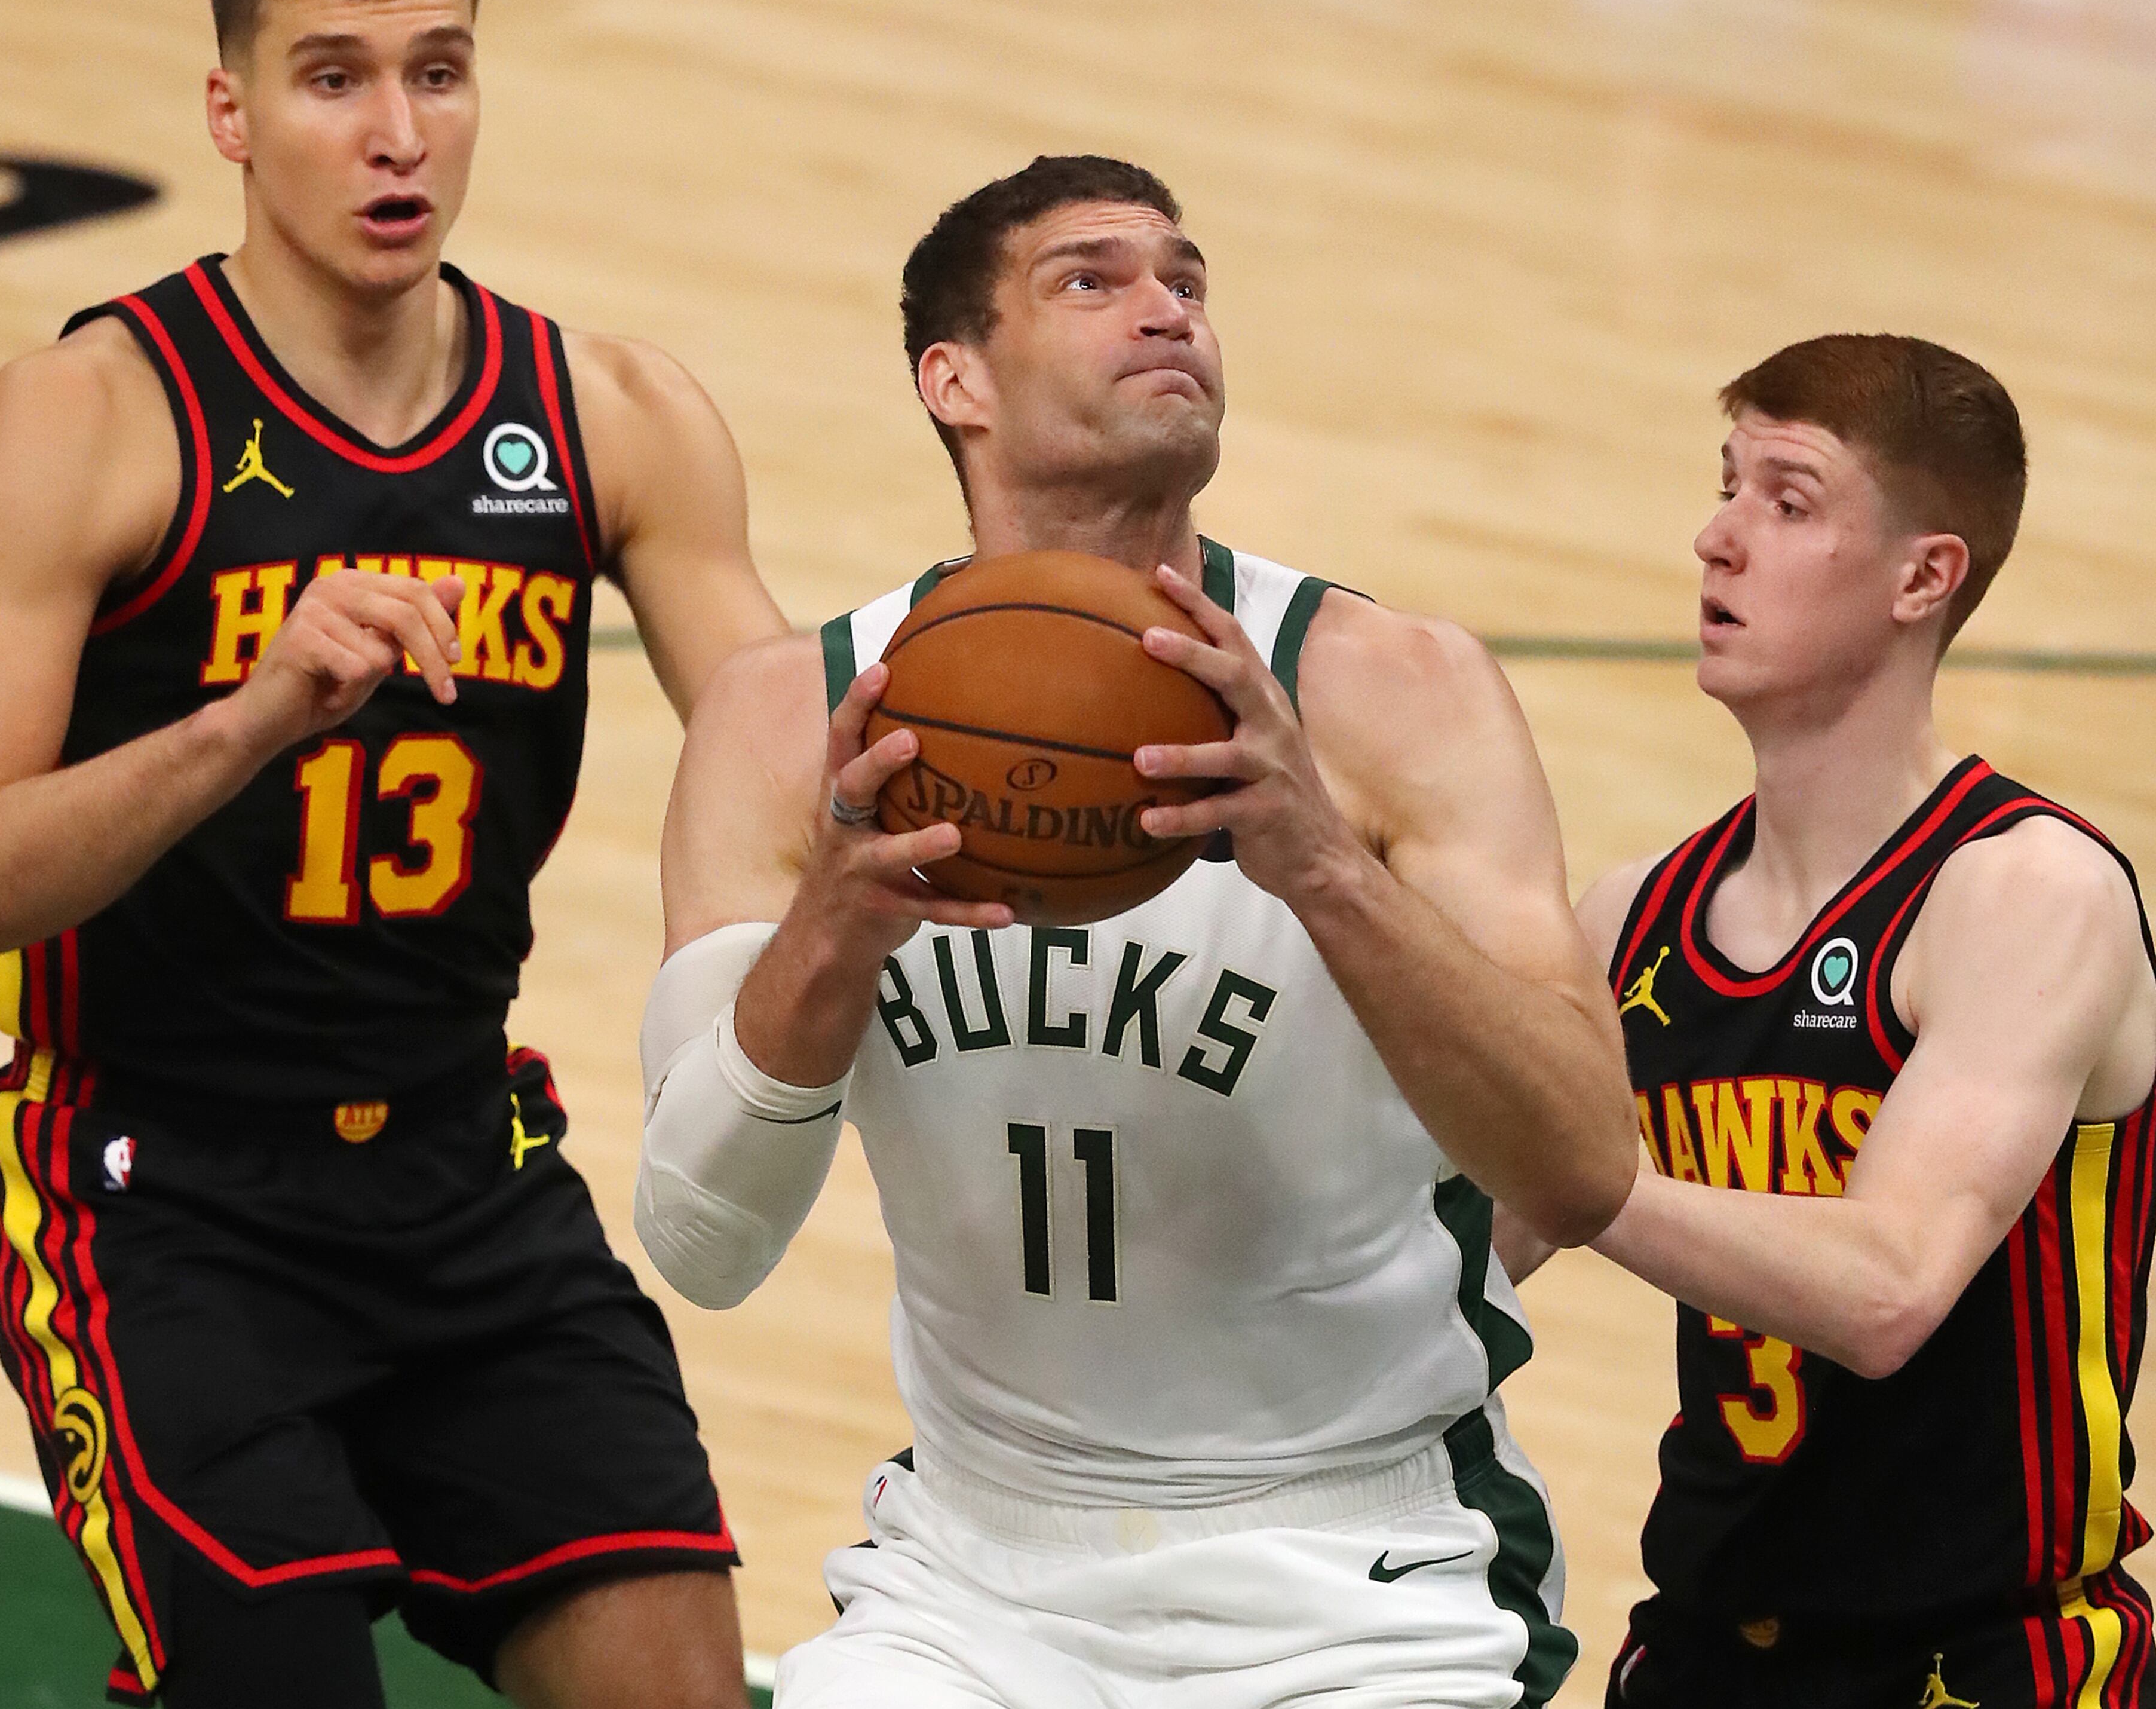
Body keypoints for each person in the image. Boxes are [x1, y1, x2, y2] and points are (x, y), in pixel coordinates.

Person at [0, 0, 783, 1709]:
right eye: (333, 76)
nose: (396, 136)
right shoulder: (94, 416)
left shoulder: (611, 413)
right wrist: (249, 716)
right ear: (231, 110)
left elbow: (786, 743)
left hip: (469, 1169)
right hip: (159, 1193)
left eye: (438, 74)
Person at [634, 154, 1636, 1708]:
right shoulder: (789, 718)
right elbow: (702, 1238)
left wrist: (1324, 868)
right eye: (1090, 278)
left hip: (1356, 1571)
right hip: (972, 1568)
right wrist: (834, 924)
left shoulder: (1389, 689)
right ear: (950, 376)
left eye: (1186, 278)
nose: (1167, 306)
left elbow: (1583, 1160)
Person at [1497, 336, 2156, 1707]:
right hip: (1702, 1646)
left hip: (1986, 1662)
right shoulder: (1642, 911)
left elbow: (1886, 1287)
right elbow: (1474, 1243)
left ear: (1926, 576)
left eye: (1787, 501)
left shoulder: (2025, 889)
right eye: (1725, 483)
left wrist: (1585, 1176)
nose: (1716, 538)